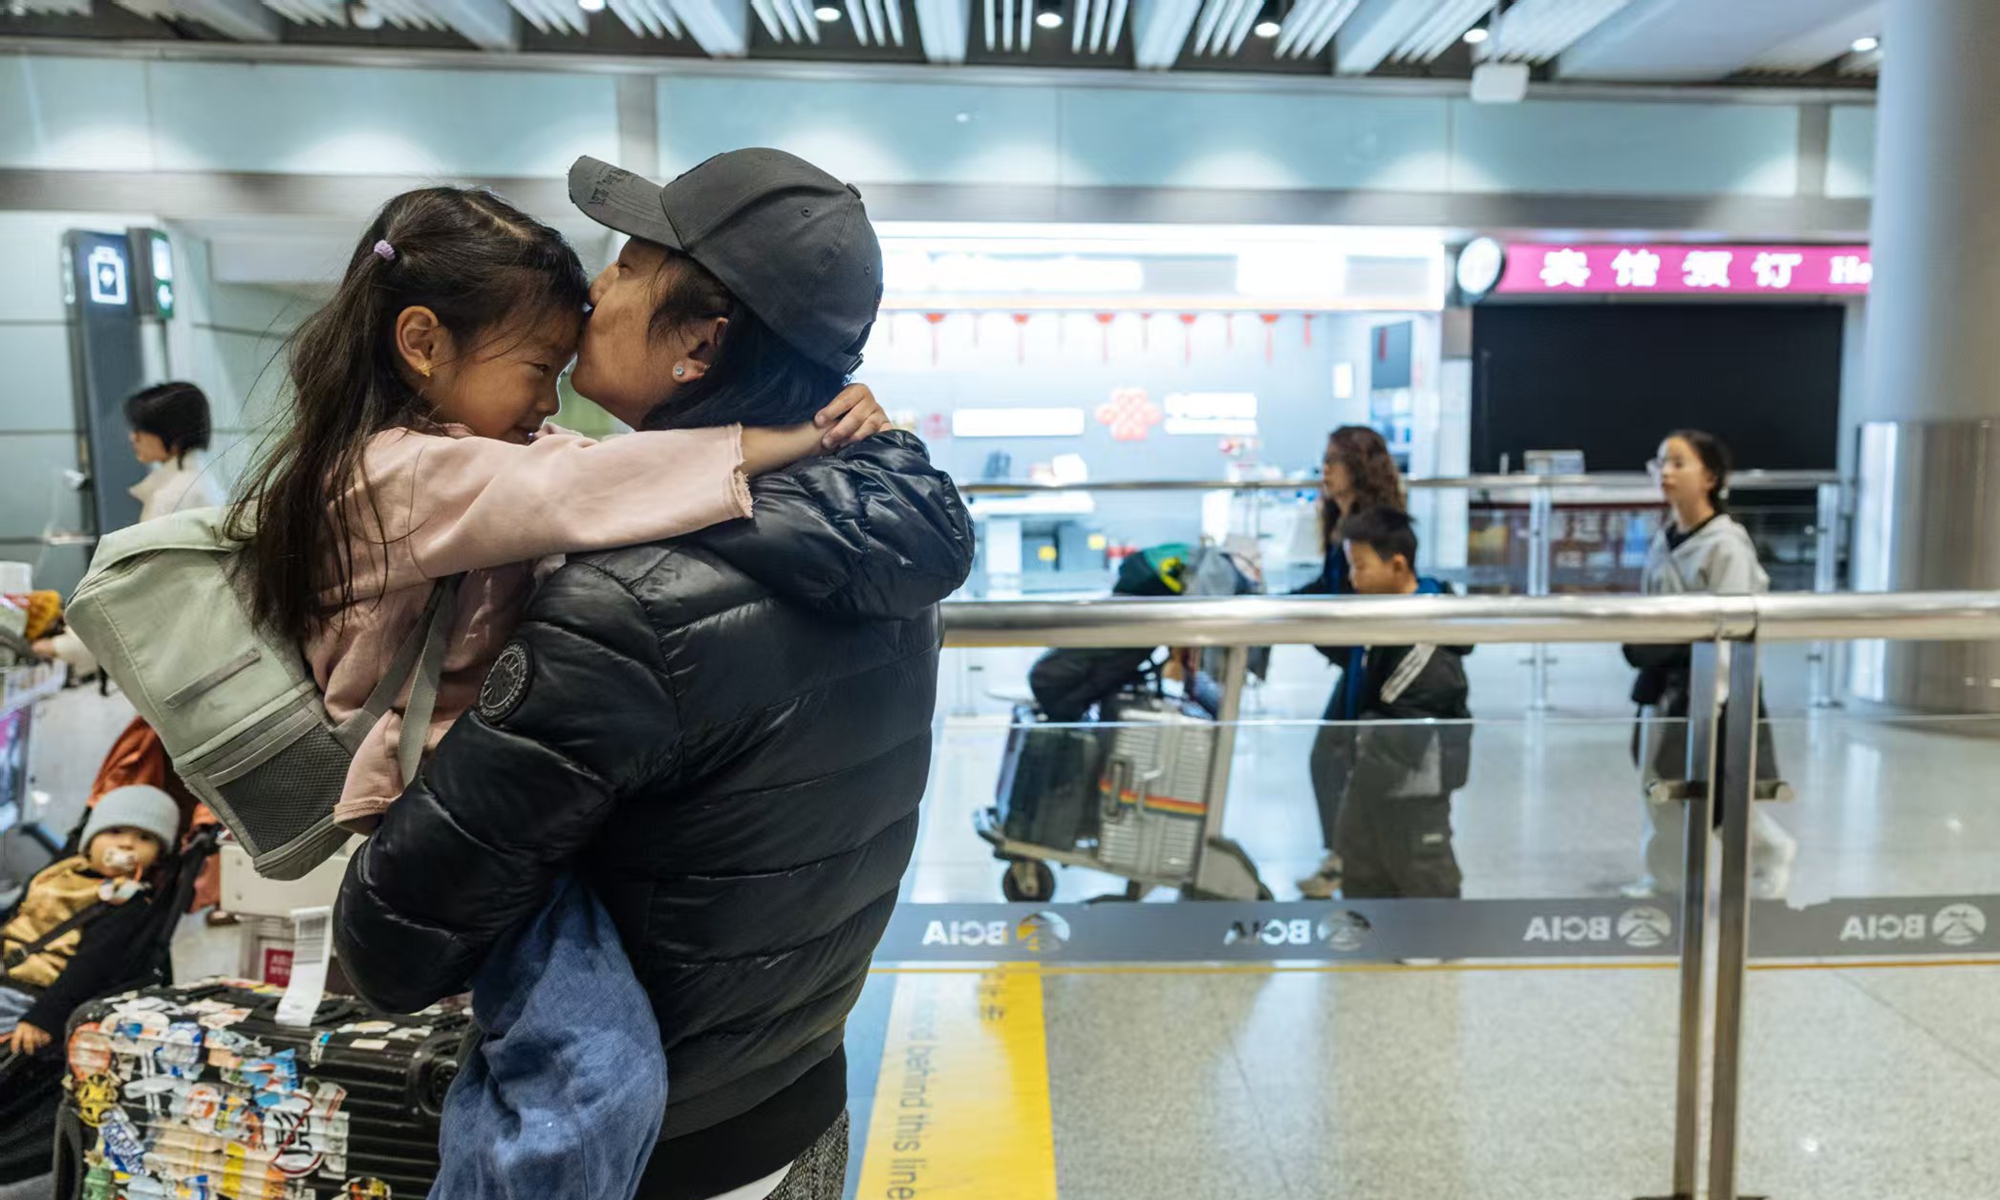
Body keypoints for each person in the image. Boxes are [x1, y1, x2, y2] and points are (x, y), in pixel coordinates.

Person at [226, 185, 889, 1200]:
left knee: (575, 1078)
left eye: (626, 268)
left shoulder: (518, 497)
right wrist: (812, 443)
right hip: (436, 796)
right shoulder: (399, 474)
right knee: (583, 1075)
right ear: (421, 343)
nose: (557, 383)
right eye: (537, 365)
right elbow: (579, 489)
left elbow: (582, 474)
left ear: (699, 345)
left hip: (685, 1078)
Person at [1623, 430, 1796, 899]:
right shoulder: (1665, 537)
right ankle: (1665, 880)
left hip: (1711, 689)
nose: (1666, 472)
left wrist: (1716, 702)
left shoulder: (1726, 545)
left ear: (1711, 477)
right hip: (1662, 682)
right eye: (1660, 462)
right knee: (1659, 783)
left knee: (1720, 791)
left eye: (1679, 463)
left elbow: (1734, 628)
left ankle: (1771, 852)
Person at [1316, 508, 1471, 899]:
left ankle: (1432, 941)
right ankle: (1376, 930)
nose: (1352, 580)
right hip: (1379, 771)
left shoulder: (1425, 639)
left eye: (1361, 567)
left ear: (1398, 565)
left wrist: (1363, 775)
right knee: (1366, 855)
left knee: (1419, 857)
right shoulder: (1383, 617)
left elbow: (1409, 714)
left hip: (1414, 778)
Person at [33, 382, 224, 671]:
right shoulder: (202, 482)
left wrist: (68, 647)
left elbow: (136, 588)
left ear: (171, 435)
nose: (133, 437)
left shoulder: (171, 497)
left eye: (142, 428)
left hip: (182, 656)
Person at [1296, 425, 1407, 899]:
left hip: (1373, 660)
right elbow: (1329, 590)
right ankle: (1345, 856)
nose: (1325, 470)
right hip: (1354, 659)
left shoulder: (1375, 525)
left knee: (1332, 757)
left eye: (1334, 461)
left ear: (1357, 467)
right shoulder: (1340, 518)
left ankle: (1345, 859)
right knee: (1334, 758)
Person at [0, 786, 182, 1059]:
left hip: (35, 998)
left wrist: (43, 1018)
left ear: (158, 855)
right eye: (115, 832)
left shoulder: (127, 905)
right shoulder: (55, 875)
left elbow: (90, 966)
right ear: (90, 839)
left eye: (144, 838)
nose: (127, 844)